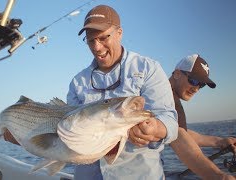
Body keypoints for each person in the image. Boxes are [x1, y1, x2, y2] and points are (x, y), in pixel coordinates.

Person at [67, 5, 178, 180]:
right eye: (90, 41)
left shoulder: (148, 68)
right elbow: (69, 129)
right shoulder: (77, 82)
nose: (96, 47)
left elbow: (170, 120)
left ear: (119, 33)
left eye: (103, 38)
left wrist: (157, 128)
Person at [168, 54, 236, 179]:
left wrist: (219, 141)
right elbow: (178, 137)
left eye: (201, 85)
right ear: (177, 74)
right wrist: (219, 177)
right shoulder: (164, 98)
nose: (196, 89)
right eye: (193, 80)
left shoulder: (172, 100)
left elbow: (180, 132)